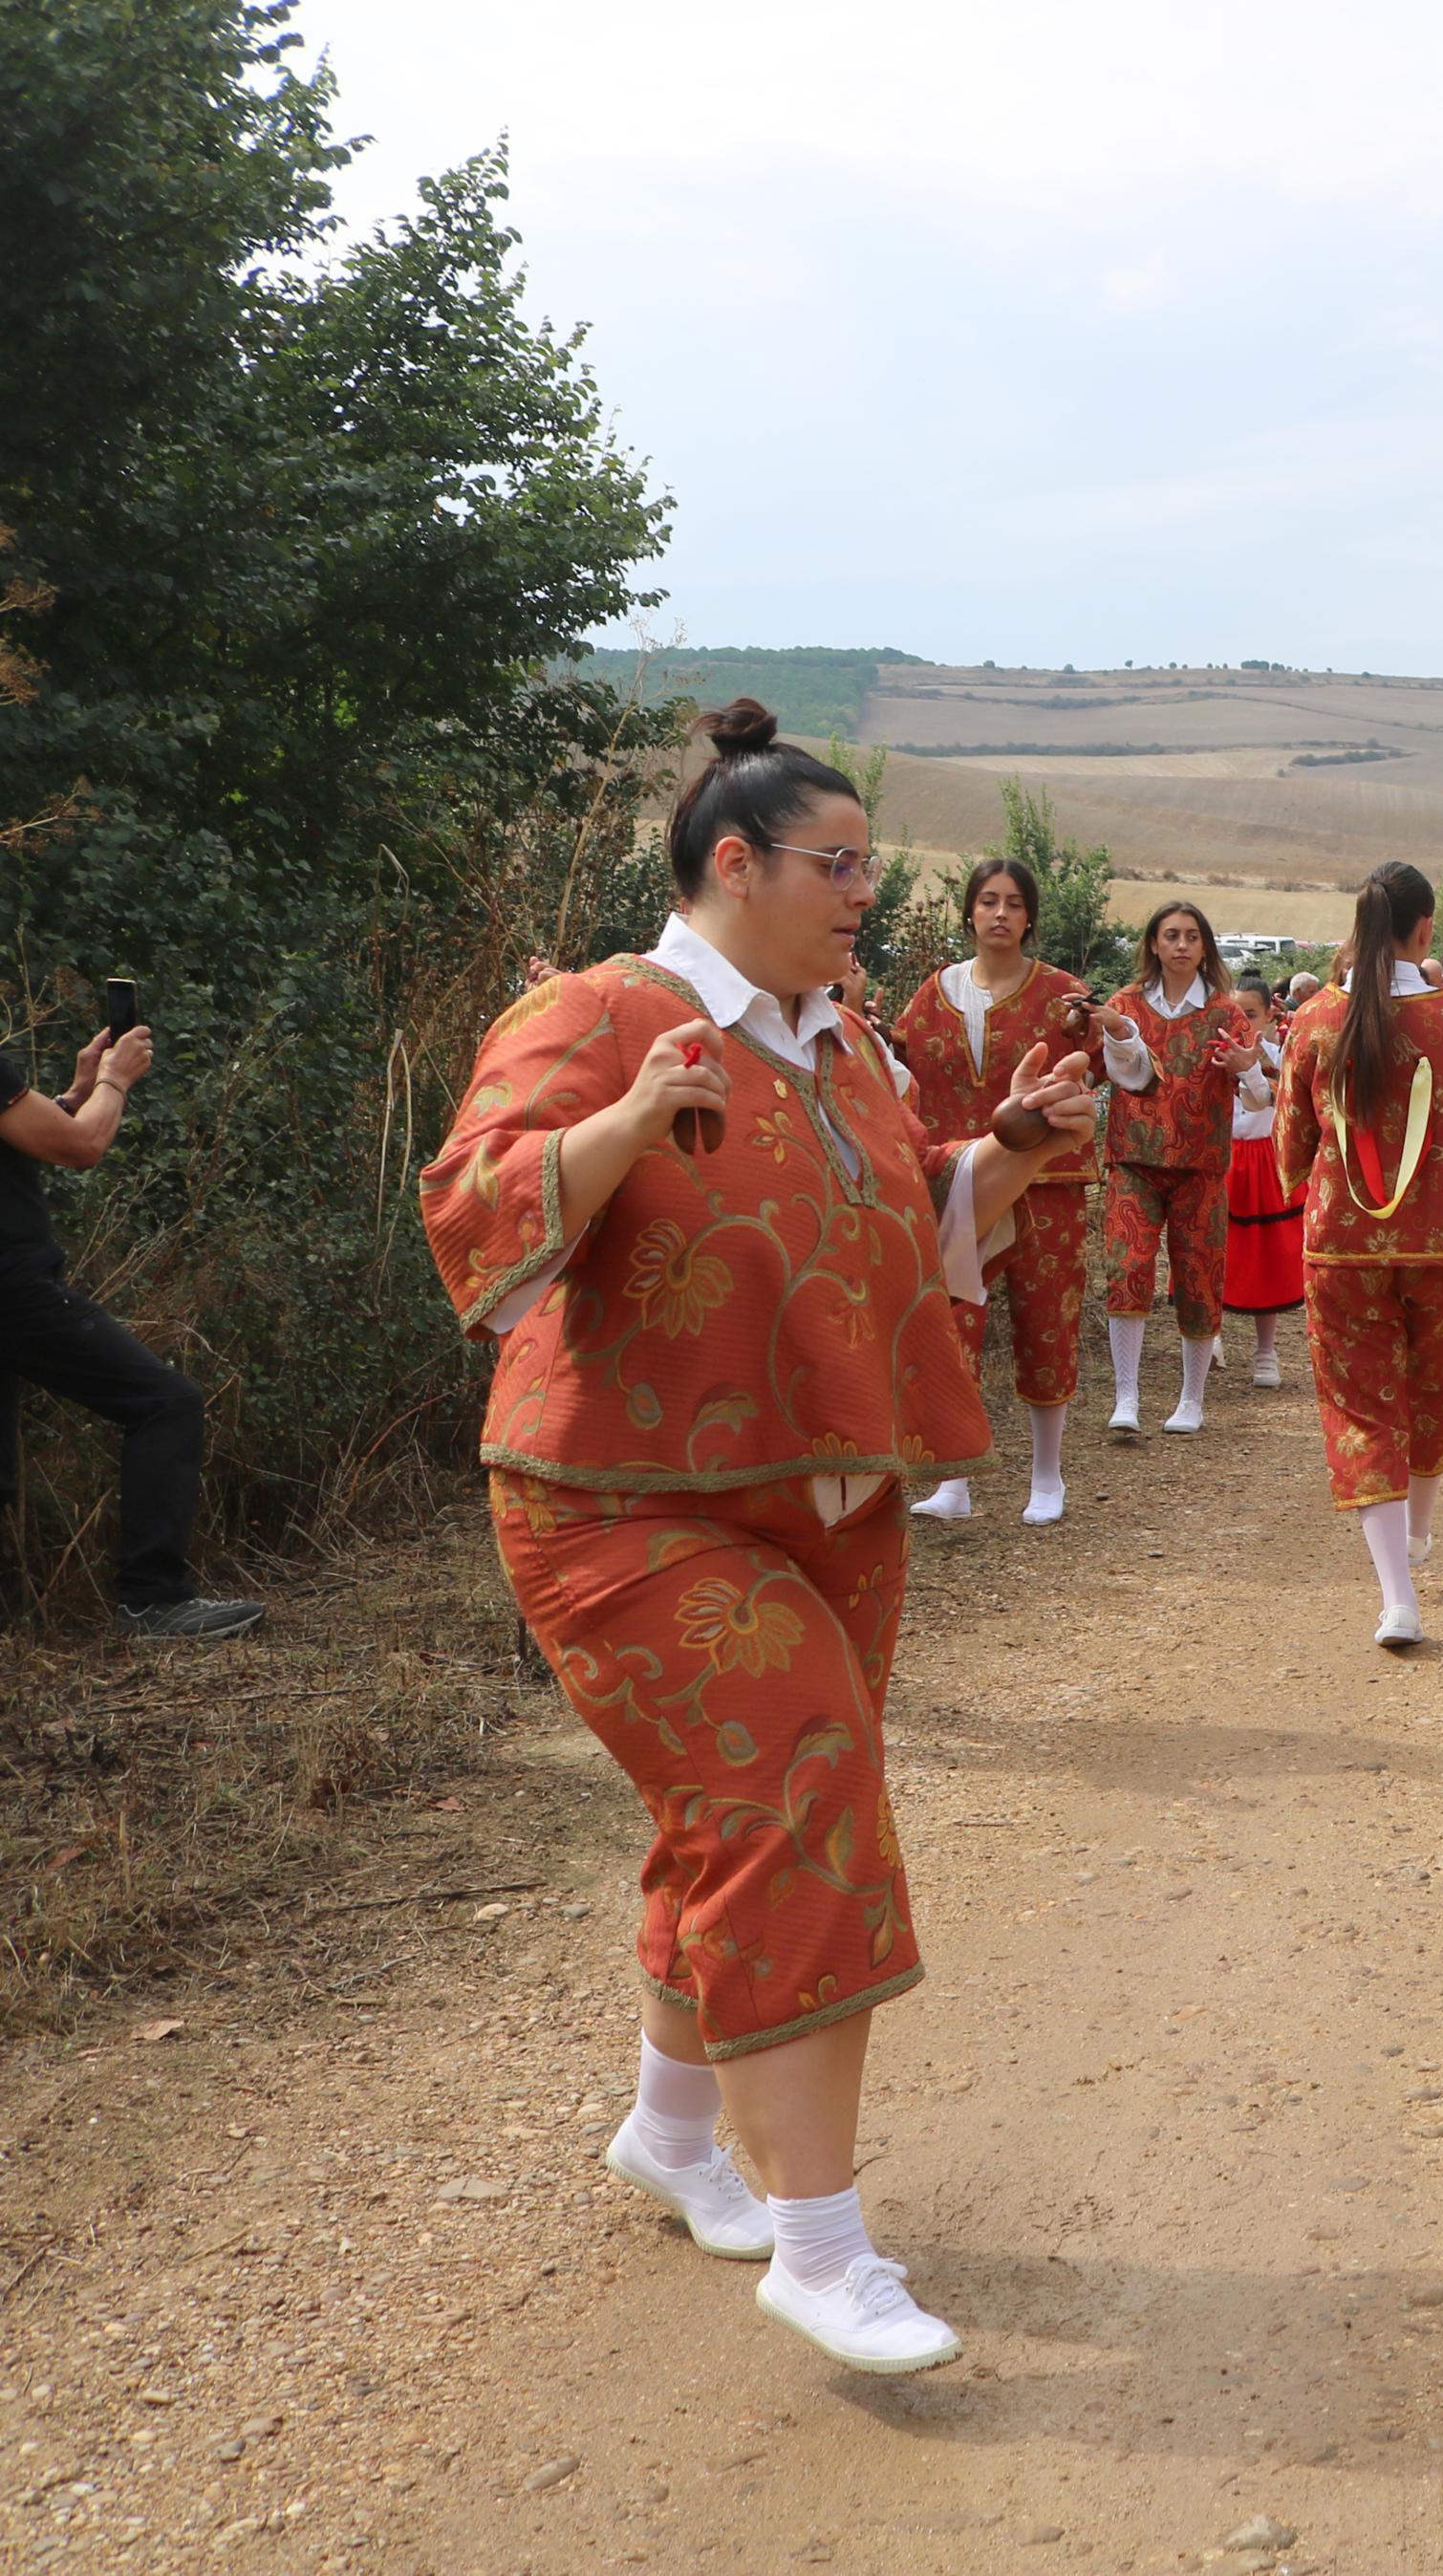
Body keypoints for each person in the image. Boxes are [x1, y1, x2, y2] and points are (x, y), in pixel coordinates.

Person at [417, 699, 1101, 2372]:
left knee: (732, 1818)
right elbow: (472, 1214)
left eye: (874, 864)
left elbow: (889, 1220)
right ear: (736, 862)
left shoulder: (844, 1041)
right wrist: (625, 1124)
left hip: (831, 1499)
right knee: (798, 1788)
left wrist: (998, 1159)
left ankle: (668, 2133)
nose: (871, 890)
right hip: (626, 1509)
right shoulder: (603, 1012)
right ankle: (823, 2244)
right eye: (840, 861)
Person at [1274, 863, 1443, 1649]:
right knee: (1433, 1392)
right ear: (1423, 929)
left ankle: (1396, 1593)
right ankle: (1415, 1536)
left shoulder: (1312, 1019)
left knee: (1361, 1407)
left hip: (1341, 1243)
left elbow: (1289, 1150)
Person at [0, 1011, 259, 1636]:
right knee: (166, 1401)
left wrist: (76, 1094)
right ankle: (152, 1598)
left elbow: (31, 1136)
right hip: (13, 1289)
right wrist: (114, 1082)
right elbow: (80, 1147)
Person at [891, 855, 1105, 1526]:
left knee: (1048, 1318)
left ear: (1029, 916)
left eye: (1014, 902)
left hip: (1049, 1177)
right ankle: (953, 1478)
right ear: (970, 911)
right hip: (962, 1175)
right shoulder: (934, 991)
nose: (1001, 913)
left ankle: (1048, 1476)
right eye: (988, 900)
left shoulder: (1064, 994)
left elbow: (1112, 1066)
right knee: (954, 1319)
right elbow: (900, 1066)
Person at [1097, 902, 1248, 1435]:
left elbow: (1257, 1093)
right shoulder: (1122, 1007)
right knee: (1128, 1267)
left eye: (1191, 936)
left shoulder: (1228, 1014)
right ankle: (1127, 1397)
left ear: (1205, 946)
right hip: (1133, 1159)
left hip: (1201, 1165)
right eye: (1170, 936)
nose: (1181, 945)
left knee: (1198, 1279)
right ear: (1154, 944)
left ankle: (1191, 1399)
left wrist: (1246, 1069)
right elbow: (1101, 1073)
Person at [1221, 974, 1305, 1386]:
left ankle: (1266, 1351)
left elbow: (1285, 1096)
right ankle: (1208, 1332)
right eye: (1234, 1014)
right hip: (1220, 1158)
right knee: (1211, 1248)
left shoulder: (1280, 1055)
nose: (1242, 1024)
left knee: (1264, 1254)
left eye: (1251, 1015)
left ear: (1270, 1014)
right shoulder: (1215, 1054)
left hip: (1263, 1158)